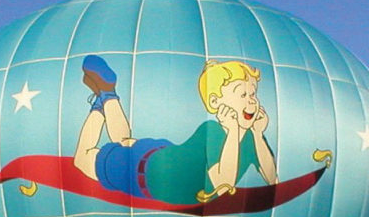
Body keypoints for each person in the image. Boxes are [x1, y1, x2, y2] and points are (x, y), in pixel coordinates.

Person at [74, 55, 278, 205]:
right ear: (215, 102)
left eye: (253, 94)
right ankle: (103, 100)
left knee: (125, 141)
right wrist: (233, 132)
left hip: (159, 155)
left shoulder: (251, 139)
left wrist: (259, 134)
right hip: (142, 171)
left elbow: (272, 179)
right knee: (82, 158)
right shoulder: (212, 131)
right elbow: (222, 182)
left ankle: (107, 95)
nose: (252, 100)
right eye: (242, 94)